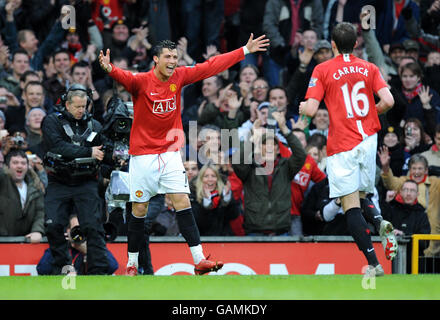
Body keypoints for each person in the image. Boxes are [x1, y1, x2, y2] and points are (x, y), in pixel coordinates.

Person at [98, 33, 270, 275]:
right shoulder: (141, 81)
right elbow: (121, 75)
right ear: (155, 60)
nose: (172, 61)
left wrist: (244, 50)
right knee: (139, 209)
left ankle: (199, 260)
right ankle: (132, 264)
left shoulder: (178, 76)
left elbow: (211, 66)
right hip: (143, 156)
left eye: (175, 57)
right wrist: (109, 68)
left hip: (169, 153)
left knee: (181, 201)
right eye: (168, 57)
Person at [299, 22, 397, 277]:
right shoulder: (369, 67)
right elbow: (388, 101)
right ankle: (378, 221)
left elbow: (310, 110)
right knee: (364, 196)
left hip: (342, 144)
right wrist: (365, 116)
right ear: (356, 44)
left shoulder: (323, 69)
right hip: (368, 140)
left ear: (332, 44)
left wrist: (302, 109)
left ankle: (374, 264)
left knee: (350, 205)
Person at [41, 84, 111, 275]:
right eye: (77, 107)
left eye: (84, 106)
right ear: (67, 104)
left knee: (93, 227)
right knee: (53, 225)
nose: (81, 110)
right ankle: (63, 268)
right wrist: (89, 151)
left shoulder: (95, 125)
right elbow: (57, 147)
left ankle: (99, 271)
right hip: (58, 181)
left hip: (86, 181)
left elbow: (103, 153)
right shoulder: (51, 122)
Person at [36, 214, 119, 275]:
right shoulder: (61, 247)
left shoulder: (94, 245)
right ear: (68, 231)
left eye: (83, 229)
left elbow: (113, 266)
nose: (80, 233)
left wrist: (88, 251)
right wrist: (60, 244)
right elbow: (42, 269)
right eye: (76, 229)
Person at [0, 149, 44, 243]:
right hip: (2, 242)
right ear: (7, 166)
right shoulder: (2, 181)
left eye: (23, 163)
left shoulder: (35, 186)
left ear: (27, 167)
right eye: (15, 163)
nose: (19, 166)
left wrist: (37, 230)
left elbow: (40, 212)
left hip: (26, 243)